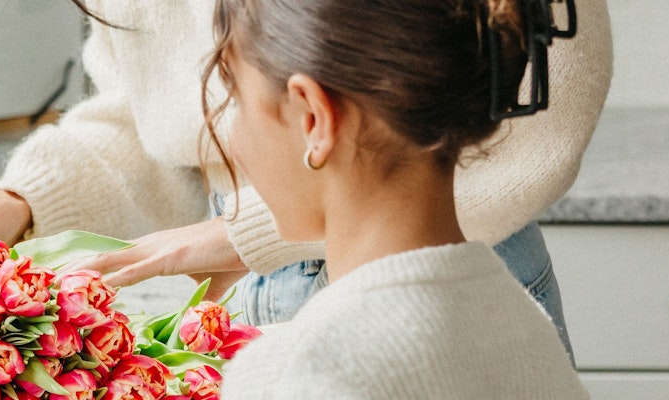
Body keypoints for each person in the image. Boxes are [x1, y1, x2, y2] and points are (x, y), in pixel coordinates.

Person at [0, 0, 611, 350]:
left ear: (313, 118)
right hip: (261, 282)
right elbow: (156, 105)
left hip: (433, 253)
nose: (223, 126)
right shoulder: (520, 336)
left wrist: (243, 231)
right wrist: (23, 200)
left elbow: (525, 121)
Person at [205, 0, 587, 397]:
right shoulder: (527, 331)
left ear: (313, 119)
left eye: (238, 101)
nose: (232, 141)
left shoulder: (297, 372)